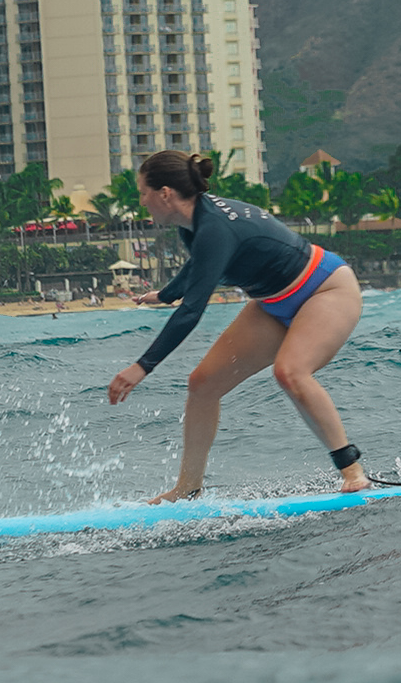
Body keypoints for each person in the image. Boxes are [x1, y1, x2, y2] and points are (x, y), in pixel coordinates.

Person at [105, 150, 370, 499]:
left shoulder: (214, 227)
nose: (142, 202)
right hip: (274, 301)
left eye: (144, 192)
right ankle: (187, 488)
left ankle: (353, 472)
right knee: (202, 383)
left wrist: (142, 367)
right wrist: (166, 294)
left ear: (165, 193)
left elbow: (192, 310)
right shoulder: (195, 222)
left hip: (326, 288)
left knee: (290, 371)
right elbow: (200, 268)